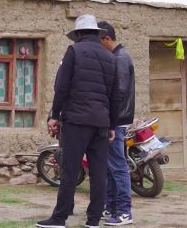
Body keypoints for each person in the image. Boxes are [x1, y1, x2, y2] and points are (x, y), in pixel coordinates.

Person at [37, 14, 120, 228]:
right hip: (101, 123)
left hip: (77, 119)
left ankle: (59, 218)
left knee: (70, 170)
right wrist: (111, 125)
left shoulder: (74, 51)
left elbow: (62, 87)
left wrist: (55, 115)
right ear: (96, 33)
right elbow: (114, 94)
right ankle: (93, 221)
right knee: (99, 172)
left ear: (79, 34)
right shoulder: (110, 56)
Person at [98, 21, 135, 226]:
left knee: (117, 167)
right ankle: (111, 207)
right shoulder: (116, 57)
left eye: (98, 41)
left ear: (107, 39)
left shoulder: (120, 58)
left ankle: (124, 212)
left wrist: (109, 122)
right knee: (110, 167)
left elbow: (118, 93)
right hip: (115, 120)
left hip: (117, 121)